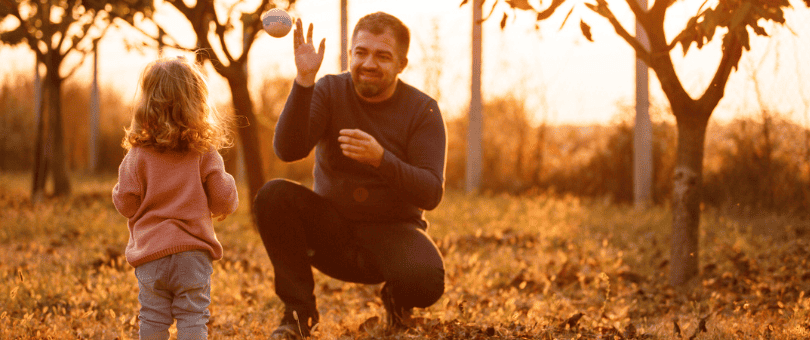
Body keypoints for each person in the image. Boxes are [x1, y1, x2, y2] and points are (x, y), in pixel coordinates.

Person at [253, 11, 448, 339]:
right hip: (331, 231)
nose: (369, 63)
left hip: (393, 234)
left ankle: (396, 299)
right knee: (273, 195)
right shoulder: (329, 90)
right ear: (350, 55)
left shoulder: (423, 109)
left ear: (402, 64)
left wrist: (382, 160)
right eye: (361, 52)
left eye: (382, 56)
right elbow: (288, 150)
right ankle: (299, 314)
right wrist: (304, 81)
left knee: (427, 281)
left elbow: (431, 192)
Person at [112, 56, 239, 340]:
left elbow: (126, 204)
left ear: (146, 104)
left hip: (151, 254)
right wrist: (227, 192)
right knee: (193, 317)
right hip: (192, 254)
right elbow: (222, 199)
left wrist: (118, 192)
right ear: (198, 105)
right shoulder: (204, 153)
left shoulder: (137, 156)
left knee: (153, 318)